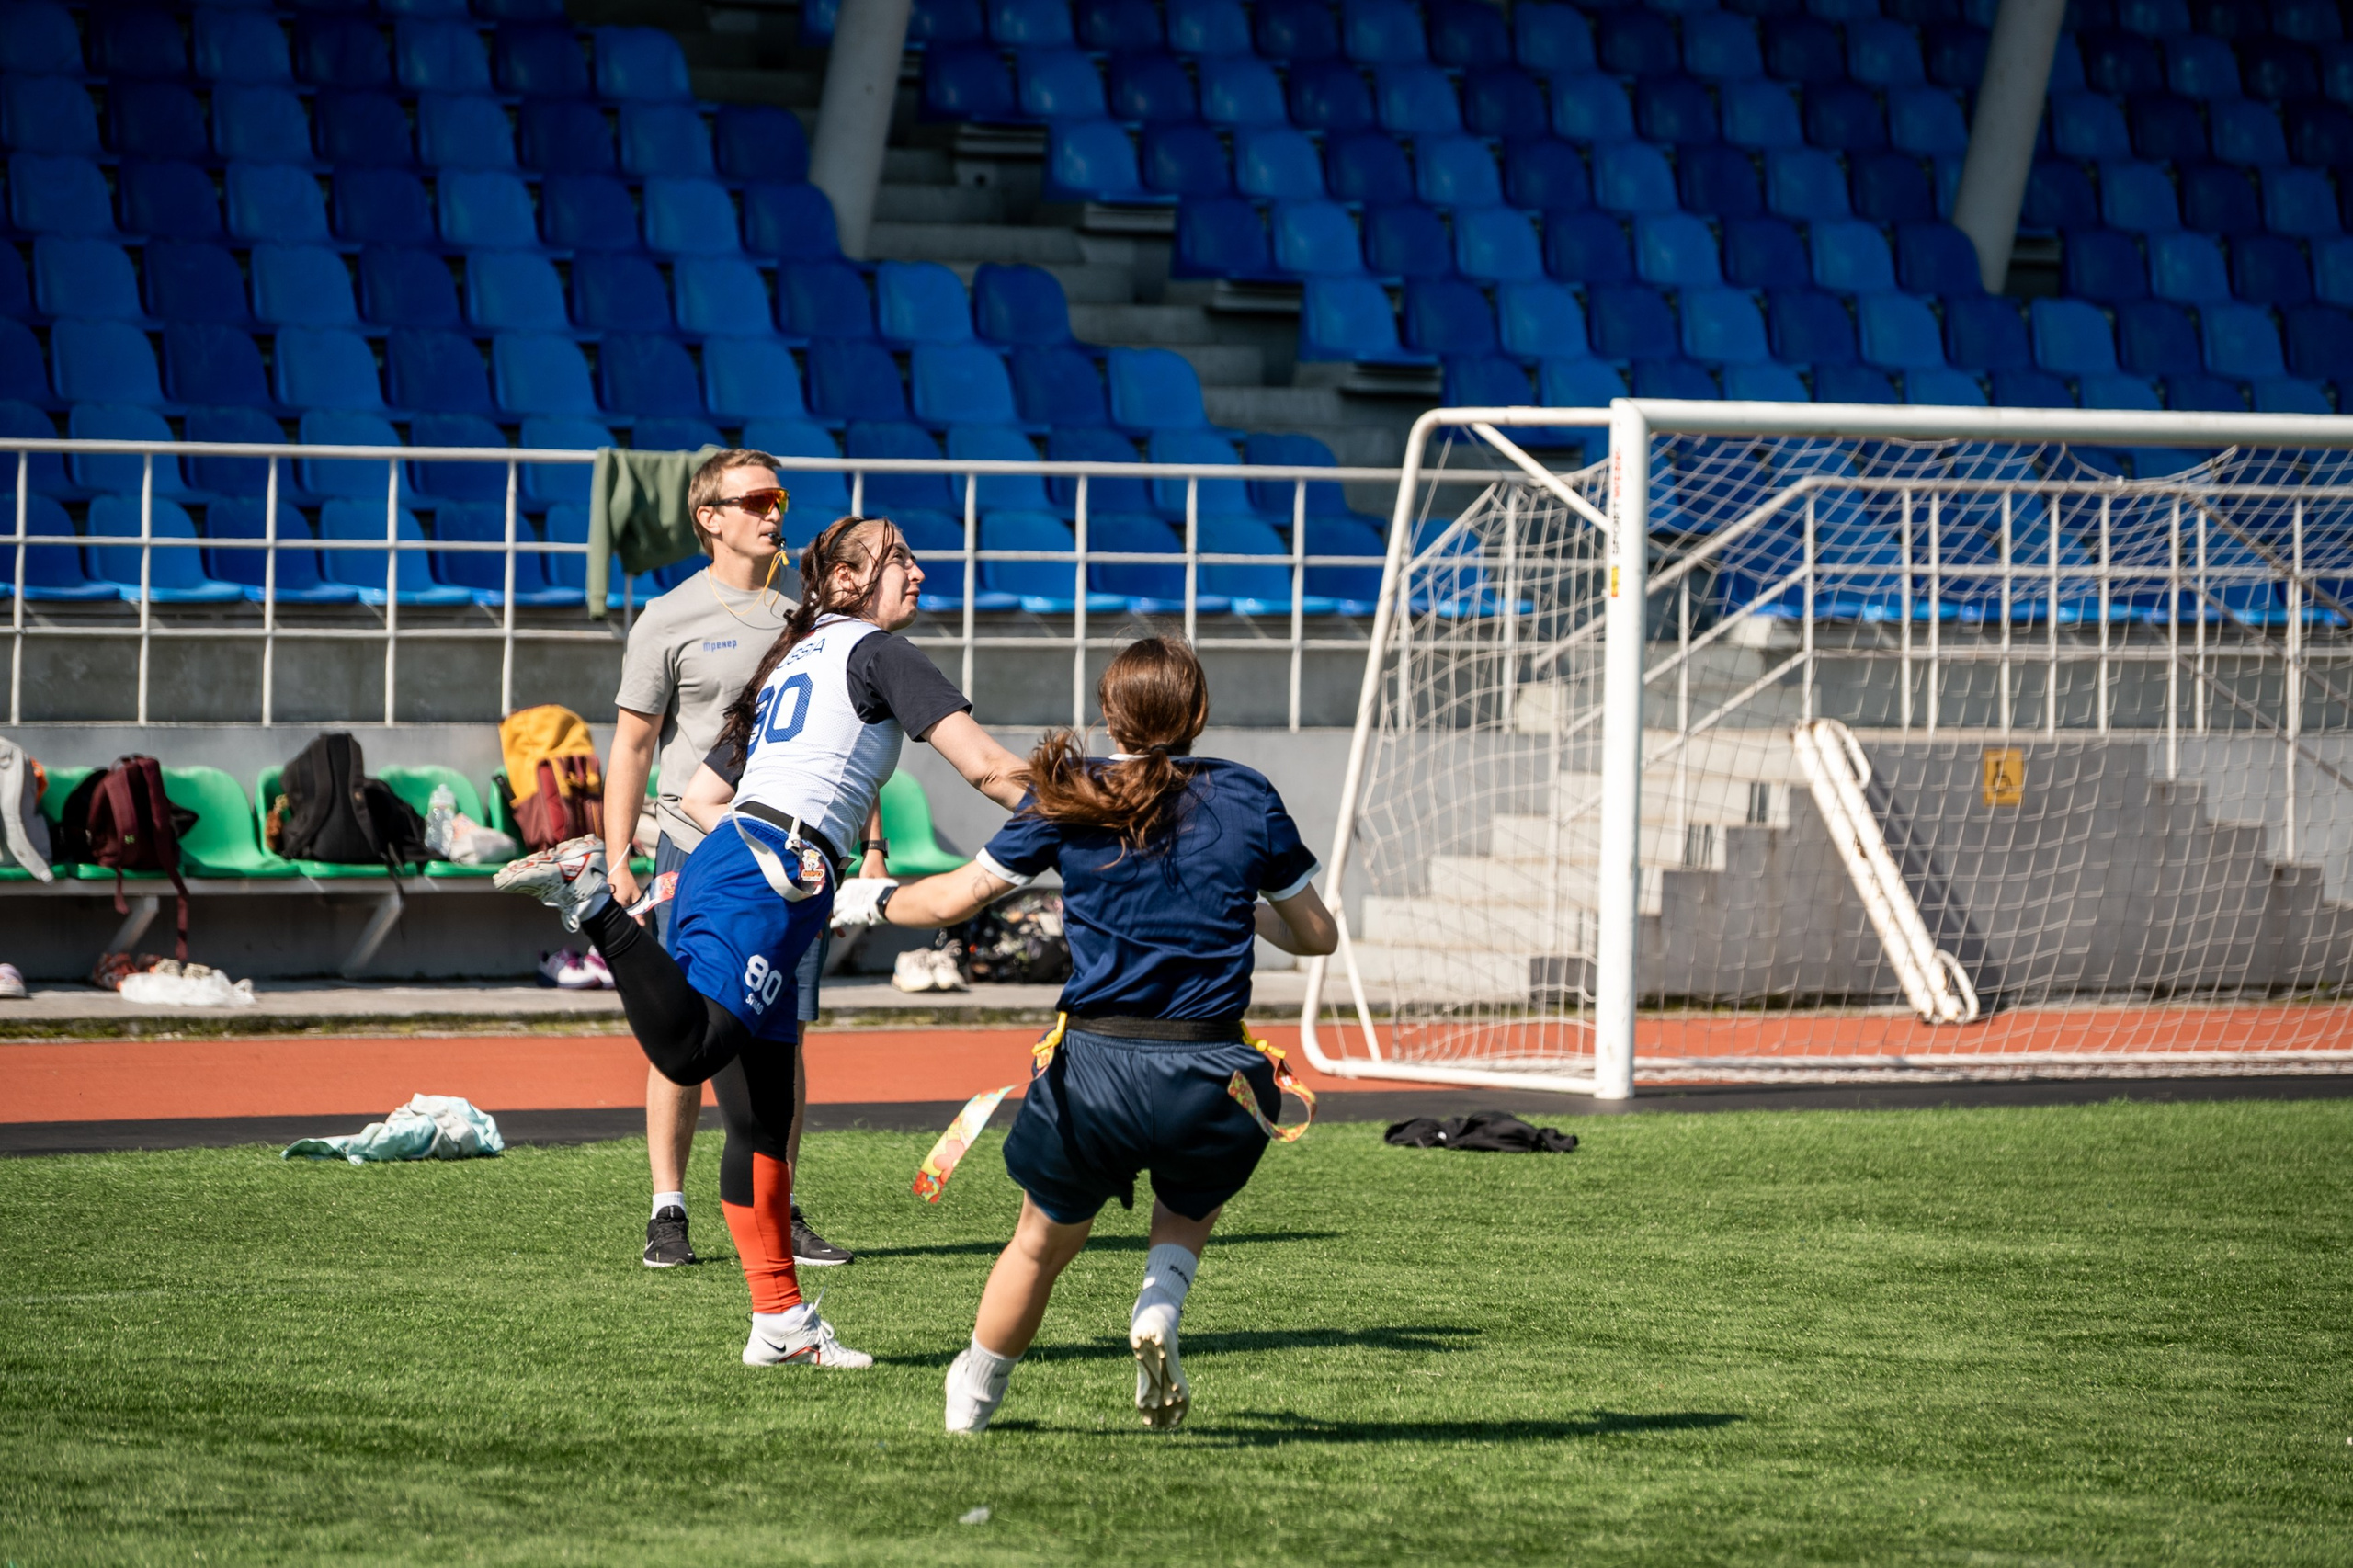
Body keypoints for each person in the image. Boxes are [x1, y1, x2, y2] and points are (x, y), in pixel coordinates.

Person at [498, 515, 1029, 1369]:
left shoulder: (793, 655)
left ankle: (780, 1325)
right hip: (765, 877)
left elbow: (702, 800)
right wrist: (1093, 808)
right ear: (848, 580)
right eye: (900, 558)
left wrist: (781, 857)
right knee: (693, 1050)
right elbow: (990, 769)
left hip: (751, 865)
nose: (920, 572)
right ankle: (590, 902)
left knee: (762, 1116)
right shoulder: (877, 652)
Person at [829, 637, 1338, 1431]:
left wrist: (866, 899)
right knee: (1190, 1198)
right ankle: (1160, 1302)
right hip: (1213, 1073)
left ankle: (974, 1395)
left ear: (1109, 713)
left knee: (1038, 1245)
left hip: (1095, 1070)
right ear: (1199, 713)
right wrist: (1240, 904)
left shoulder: (1072, 792)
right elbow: (1317, 935)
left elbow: (955, 899)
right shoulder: (1247, 793)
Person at [602, 449, 874, 1272]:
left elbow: (844, 740)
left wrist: (875, 845)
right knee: (683, 1036)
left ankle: (777, 1206)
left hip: (791, 863)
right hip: (695, 856)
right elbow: (633, 744)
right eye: (755, 499)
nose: (773, 512)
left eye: (779, 497)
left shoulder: (806, 619)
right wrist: (617, 856)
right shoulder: (667, 618)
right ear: (709, 518)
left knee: (784, 1038)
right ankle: (668, 1210)